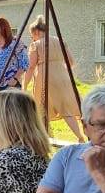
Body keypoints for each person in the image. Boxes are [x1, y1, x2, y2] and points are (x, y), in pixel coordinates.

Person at [24, 15, 85, 143]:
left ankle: (43, 139)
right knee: (67, 108)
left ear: (36, 32)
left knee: (40, 108)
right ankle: (80, 136)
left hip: (46, 78)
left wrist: (24, 85)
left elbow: (30, 67)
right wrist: (59, 68)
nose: (32, 37)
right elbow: (71, 62)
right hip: (63, 76)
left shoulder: (36, 45)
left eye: (32, 35)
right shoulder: (60, 41)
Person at [0, 16, 28, 97]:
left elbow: (25, 63)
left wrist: (15, 79)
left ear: (3, 27)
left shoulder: (15, 43)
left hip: (9, 85)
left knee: (8, 109)